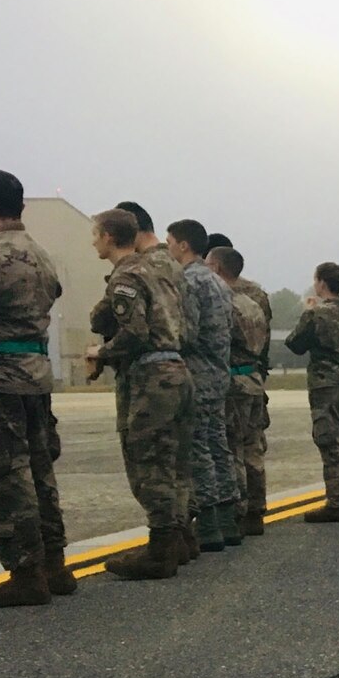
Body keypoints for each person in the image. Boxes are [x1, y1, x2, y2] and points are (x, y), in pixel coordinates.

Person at [85, 208, 192, 578]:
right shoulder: (160, 270)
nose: (93, 241)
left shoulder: (127, 276)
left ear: (110, 237)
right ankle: (178, 538)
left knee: (148, 464)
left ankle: (161, 549)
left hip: (150, 377)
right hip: (176, 370)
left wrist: (100, 352)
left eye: (96, 234)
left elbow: (135, 333)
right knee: (173, 462)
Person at [0, 169, 71, 605]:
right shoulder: (39, 253)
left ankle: (26, 571)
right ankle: (54, 563)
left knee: (5, 471)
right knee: (40, 467)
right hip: (35, 372)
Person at [168, 219, 242, 552]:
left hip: (197, 374)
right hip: (218, 373)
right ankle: (228, 519)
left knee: (199, 450)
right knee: (218, 446)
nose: (168, 247)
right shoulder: (218, 282)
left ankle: (209, 524)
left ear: (184, 245)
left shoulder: (188, 281)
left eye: (170, 241)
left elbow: (187, 332)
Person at [285, 262, 339, 521]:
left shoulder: (317, 314)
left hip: (328, 384)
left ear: (321, 283)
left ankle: (337, 502)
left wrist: (307, 311)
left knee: (332, 442)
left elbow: (295, 344)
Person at [209, 244, 271, 536]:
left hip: (232, 380)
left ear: (218, 269)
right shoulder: (253, 302)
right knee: (253, 448)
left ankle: (239, 509)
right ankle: (257, 509)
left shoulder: (225, 302)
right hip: (254, 379)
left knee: (232, 447)